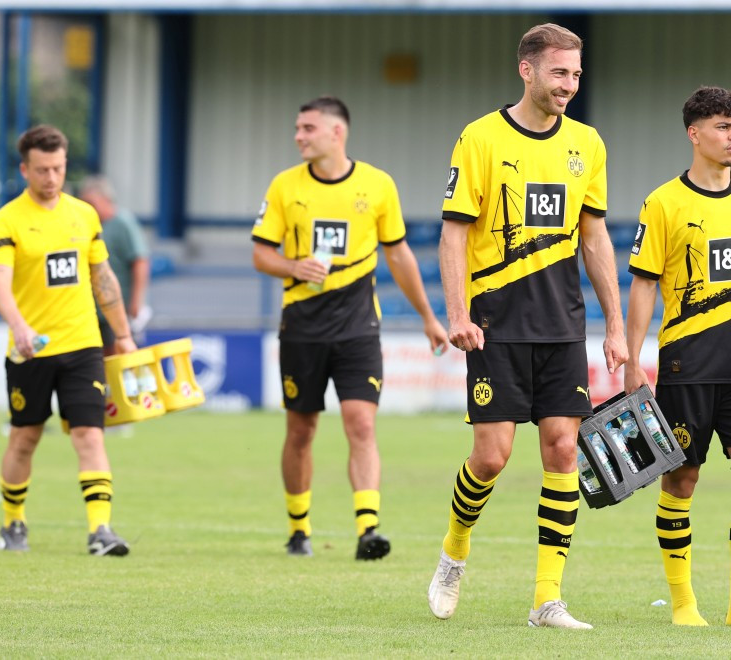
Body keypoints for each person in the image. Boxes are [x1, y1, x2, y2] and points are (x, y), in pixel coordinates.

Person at [427, 24, 628, 629]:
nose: (569, 84)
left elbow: (594, 237)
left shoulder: (588, 144)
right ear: (527, 70)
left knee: (563, 449)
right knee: (491, 458)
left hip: (563, 324)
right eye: (559, 72)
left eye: (576, 74)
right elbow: (453, 234)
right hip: (495, 323)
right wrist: (457, 313)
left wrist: (615, 324)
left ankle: (547, 599)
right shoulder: (480, 137)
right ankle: (454, 549)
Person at [623, 86, 731, 627]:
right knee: (681, 481)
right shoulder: (663, 203)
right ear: (694, 134)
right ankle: (684, 603)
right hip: (686, 366)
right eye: (724, 127)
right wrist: (632, 360)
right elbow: (644, 286)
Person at [251, 96, 448, 561]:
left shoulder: (377, 185)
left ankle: (367, 529)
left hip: (358, 327)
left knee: (361, 423)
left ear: (336, 132)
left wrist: (428, 316)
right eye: (297, 128)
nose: (298, 136)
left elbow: (398, 254)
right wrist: (293, 266)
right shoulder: (285, 186)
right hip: (302, 327)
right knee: (301, 430)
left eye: (307, 128)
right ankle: (298, 529)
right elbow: (260, 253)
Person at [0, 124, 136, 556]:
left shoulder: (84, 215)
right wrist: (20, 327)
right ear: (24, 169)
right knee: (25, 437)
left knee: (90, 434)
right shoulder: (7, 220)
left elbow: (102, 278)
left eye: (59, 168)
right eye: (42, 170)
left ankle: (100, 530)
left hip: (83, 345)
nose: (51, 178)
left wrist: (124, 335)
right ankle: (13, 524)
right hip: (30, 350)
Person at [79, 175, 151, 354]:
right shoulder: (85, 225)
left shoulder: (122, 222)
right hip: (92, 308)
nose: (87, 208)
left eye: (91, 203)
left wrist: (137, 301)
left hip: (117, 306)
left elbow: (140, 261)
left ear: (106, 200)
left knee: (116, 353)